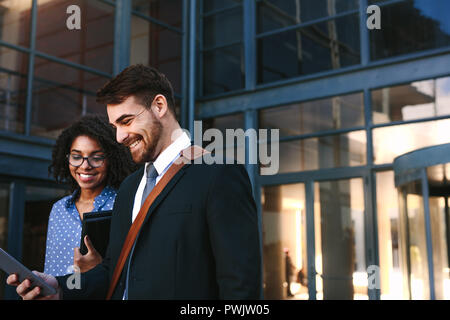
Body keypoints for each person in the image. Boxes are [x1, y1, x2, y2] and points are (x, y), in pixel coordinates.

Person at [8, 64, 261, 300]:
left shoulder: (219, 174)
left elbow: (240, 287)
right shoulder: (129, 187)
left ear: (159, 106)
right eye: (114, 125)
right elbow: (112, 270)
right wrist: (58, 287)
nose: (119, 137)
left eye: (126, 121)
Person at [45, 115, 136, 276]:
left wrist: (99, 269)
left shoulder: (124, 204)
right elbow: (51, 268)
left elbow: (132, 271)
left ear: (110, 160)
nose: (85, 166)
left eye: (96, 157)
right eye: (76, 156)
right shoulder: (58, 209)